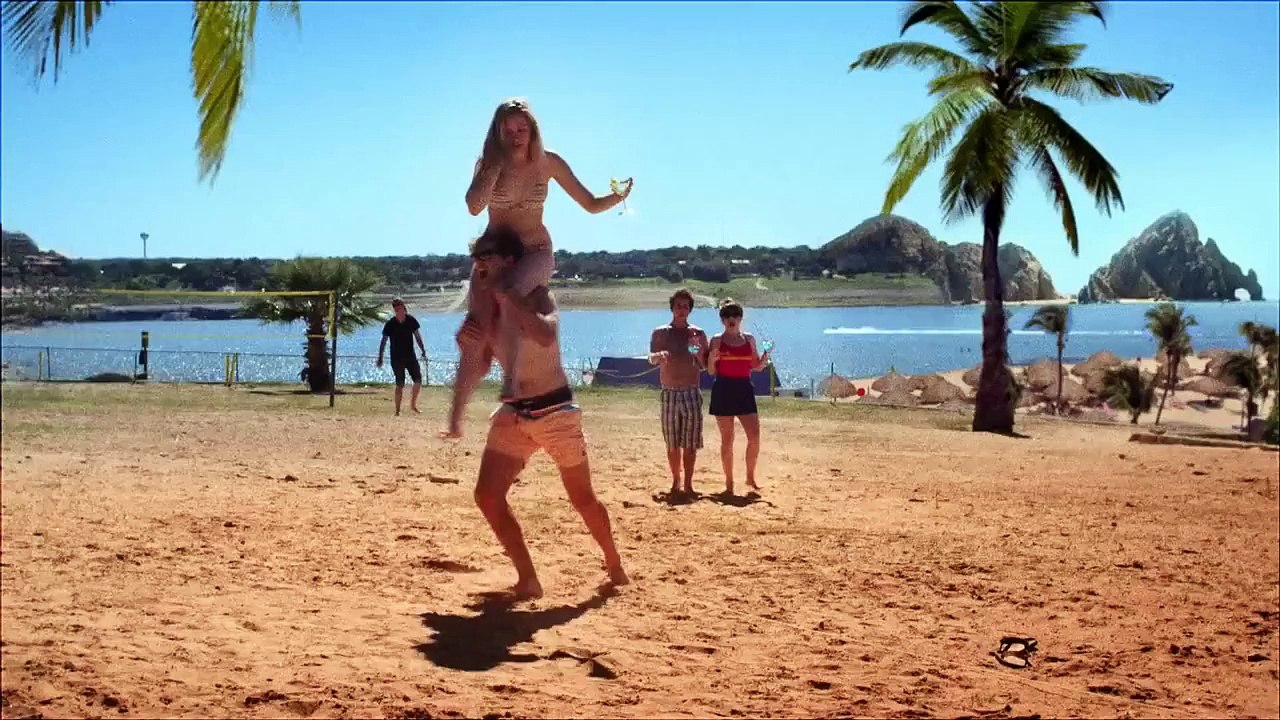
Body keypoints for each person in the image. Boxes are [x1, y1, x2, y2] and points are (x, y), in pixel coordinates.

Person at [444, 97, 634, 439]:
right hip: (494, 254)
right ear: (497, 133)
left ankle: (512, 381)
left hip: (535, 252)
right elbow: (473, 207)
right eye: (508, 130)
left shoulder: (549, 162)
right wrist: (493, 167)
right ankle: (455, 420)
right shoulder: (488, 164)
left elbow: (590, 204)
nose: (516, 136)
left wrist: (618, 198)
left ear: (532, 130)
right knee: (474, 331)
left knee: (508, 296)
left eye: (522, 129)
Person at [464, 226, 628, 599]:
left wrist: (511, 299)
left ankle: (614, 563)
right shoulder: (488, 307)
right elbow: (484, 361)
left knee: (582, 499)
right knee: (487, 495)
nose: (478, 265)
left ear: (509, 261)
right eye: (475, 259)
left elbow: (544, 335)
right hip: (514, 413)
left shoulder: (540, 296)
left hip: (555, 411)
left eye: (485, 257)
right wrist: (472, 342)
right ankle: (528, 580)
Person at [647, 288, 709, 496]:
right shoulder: (660, 332)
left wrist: (696, 350)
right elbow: (651, 358)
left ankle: (689, 484)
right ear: (672, 308)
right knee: (672, 442)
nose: (681, 310)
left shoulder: (698, 333)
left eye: (685, 306)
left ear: (690, 309)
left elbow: (705, 365)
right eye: (678, 306)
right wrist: (659, 356)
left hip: (691, 392)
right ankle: (676, 482)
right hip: (669, 392)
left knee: (690, 443)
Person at [706, 298, 771, 495]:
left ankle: (750, 477)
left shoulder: (749, 339)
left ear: (741, 318)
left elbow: (755, 366)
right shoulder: (717, 340)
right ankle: (729, 482)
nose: (731, 318)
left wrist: (764, 359)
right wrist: (711, 359)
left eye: (735, 314)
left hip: (744, 388)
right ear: (722, 320)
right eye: (726, 315)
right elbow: (711, 371)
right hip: (723, 387)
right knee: (728, 439)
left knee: (754, 436)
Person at [376, 298, 427, 416]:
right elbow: (383, 342)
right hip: (396, 358)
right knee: (400, 384)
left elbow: (417, 337)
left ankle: (413, 405)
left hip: (410, 355)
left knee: (418, 380)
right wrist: (380, 357)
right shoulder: (390, 324)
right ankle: (397, 411)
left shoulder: (411, 320)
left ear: (403, 306)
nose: (397, 308)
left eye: (399, 306)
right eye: (395, 307)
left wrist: (423, 350)